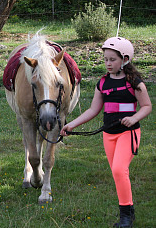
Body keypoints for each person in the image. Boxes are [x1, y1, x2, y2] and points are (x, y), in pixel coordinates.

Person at [60, 37, 152, 228]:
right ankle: (130, 211)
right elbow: (93, 110)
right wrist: (72, 125)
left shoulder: (134, 82)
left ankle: (125, 217)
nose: (108, 63)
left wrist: (134, 118)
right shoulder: (102, 83)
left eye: (113, 59)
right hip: (108, 135)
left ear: (125, 59)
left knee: (119, 169)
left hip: (129, 133)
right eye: (106, 59)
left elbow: (147, 106)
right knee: (117, 173)